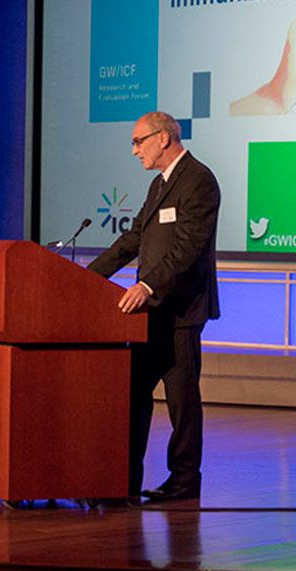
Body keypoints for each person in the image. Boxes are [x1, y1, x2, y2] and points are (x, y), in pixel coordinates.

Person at [88, 111, 220, 502]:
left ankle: (184, 480)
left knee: (181, 402)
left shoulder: (199, 180)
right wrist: (85, 278)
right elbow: (132, 241)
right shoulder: (157, 185)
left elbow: (187, 250)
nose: (134, 150)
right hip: (150, 315)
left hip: (180, 313)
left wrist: (147, 284)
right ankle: (125, 480)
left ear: (163, 138)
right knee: (134, 395)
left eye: (138, 141)